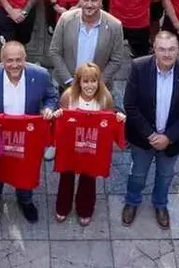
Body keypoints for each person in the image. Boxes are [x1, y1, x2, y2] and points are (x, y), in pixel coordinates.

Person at [0, 41, 59, 223]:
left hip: (27, 135)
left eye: (19, 60)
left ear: (25, 59)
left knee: (25, 169)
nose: (14, 65)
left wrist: (48, 108)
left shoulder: (40, 75)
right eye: (9, 60)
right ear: (1, 60)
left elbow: (52, 96)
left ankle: (25, 200)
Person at [122, 31, 179, 229]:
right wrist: (150, 134)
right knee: (137, 174)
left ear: (178, 50)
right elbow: (130, 105)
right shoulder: (139, 67)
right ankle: (132, 201)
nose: (167, 54)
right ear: (154, 49)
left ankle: (160, 204)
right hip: (142, 137)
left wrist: (169, 137)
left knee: (165, 175)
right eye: (162, 49)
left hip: (172, 140)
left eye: (171, 49)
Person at [52, 62, 125, 225]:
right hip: (70, 145)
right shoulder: (68, 96)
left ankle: (85, 209)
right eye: (85, 81)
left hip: (92, 146)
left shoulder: (105, 98)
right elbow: (59, 121)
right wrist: (57, 116)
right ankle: (62, 207)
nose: (89, 85)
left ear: (99, 82)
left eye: (93, 81)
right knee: (66, 176)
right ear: (78, 82)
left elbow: (110, 120)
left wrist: (118, 118)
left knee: (89, 178)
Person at [49, 0, 128, 89]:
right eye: (85, 0)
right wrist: (69, 81)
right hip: (67, 86)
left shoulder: (114, 25)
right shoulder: (65, 19)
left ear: (101, 0)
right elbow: (55, 52)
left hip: (99, 88)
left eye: (94, 0)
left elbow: (116, 60)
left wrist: (96, 84)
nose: (89, 5)